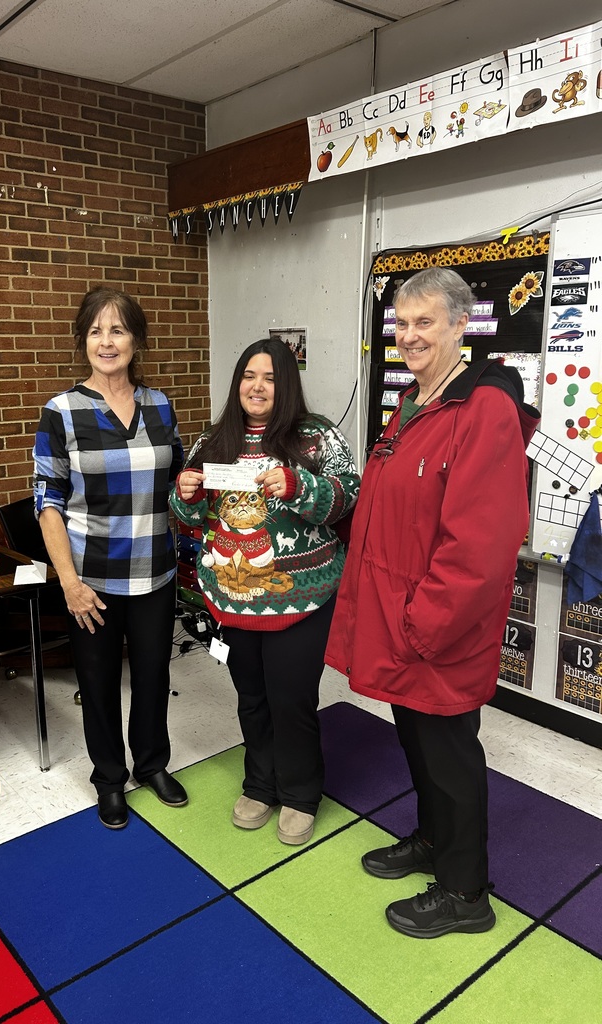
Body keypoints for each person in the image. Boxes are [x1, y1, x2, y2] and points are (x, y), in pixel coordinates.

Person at [325, 267, 540, 938]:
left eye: (426, 323)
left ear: (458, 326)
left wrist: (423, 625)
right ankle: (431, 840)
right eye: (403, 323)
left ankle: (465, 892)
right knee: (418, 746)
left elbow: (481, 543)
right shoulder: (415, 401)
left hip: (436, 631)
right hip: (399, 621)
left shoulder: (484, 410)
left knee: (450, 756)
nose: (411, 335)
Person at [171, 338, 360, 845]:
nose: (257, 386)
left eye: (270, 378)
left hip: (305, 598)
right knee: (252, 698)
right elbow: (193, 517)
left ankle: (300, 794)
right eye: (249, 376)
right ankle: (260, 783)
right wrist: (184, 495)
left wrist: (300, 486)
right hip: (232, 599)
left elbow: (351, 498)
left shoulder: (316, 437)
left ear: (287, 385)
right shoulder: (214, 442)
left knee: (291, 699)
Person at [33, 286, 187, 830]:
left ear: (137, 340)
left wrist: (194, 492)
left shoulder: (161, 404)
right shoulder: (62, 413)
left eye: (118, 329)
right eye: (96, 330)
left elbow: (176, 486)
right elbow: (48, 505)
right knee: (97, 683)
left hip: (156, 571)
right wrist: (69, 582)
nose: (107, 341)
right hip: (91, 578)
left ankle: (152, 765)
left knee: (152, 675)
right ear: (82, 342)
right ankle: (109, 778)